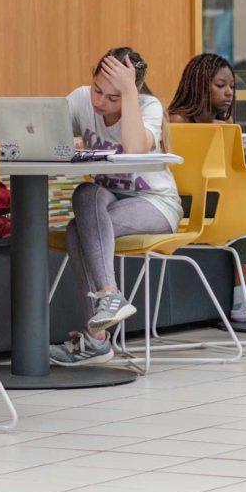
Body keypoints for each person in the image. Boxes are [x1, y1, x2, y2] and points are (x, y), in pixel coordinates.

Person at [49, 47, 182, 366]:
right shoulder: (81, 99)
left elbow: (135, 148)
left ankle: (95, 340)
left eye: (114, 97)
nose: (101, 102)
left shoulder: (148, 106)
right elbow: (48, 136)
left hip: (154, 203)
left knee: (76, 230)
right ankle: (109, 296)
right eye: (98, 90)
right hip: (106, 200)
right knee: (85, 193)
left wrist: (130, 94)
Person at [168, 53, 246, 323]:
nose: (229, 92)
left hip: (205, 196)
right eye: (220, 85)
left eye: (232, 87)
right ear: (200, 85)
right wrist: (213, 135)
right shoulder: (178, 121)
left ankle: (245, 295)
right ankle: (244, 297)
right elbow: (186, 175)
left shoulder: (213, 122)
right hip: (184, 201)